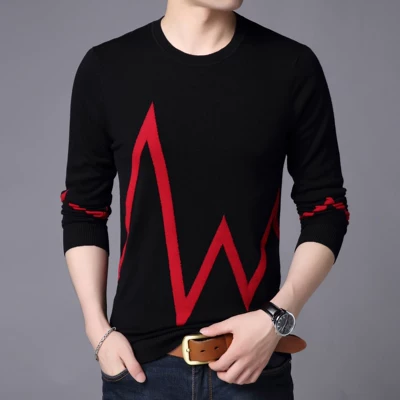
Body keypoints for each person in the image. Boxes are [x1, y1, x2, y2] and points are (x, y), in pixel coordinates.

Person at [59, 0, 350, 399]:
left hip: (252, 371)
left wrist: (277, 317)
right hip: (141, 375)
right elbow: (83, 211)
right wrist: (97, 329)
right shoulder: (107, 68)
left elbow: (326, 210)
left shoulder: (291, 66)